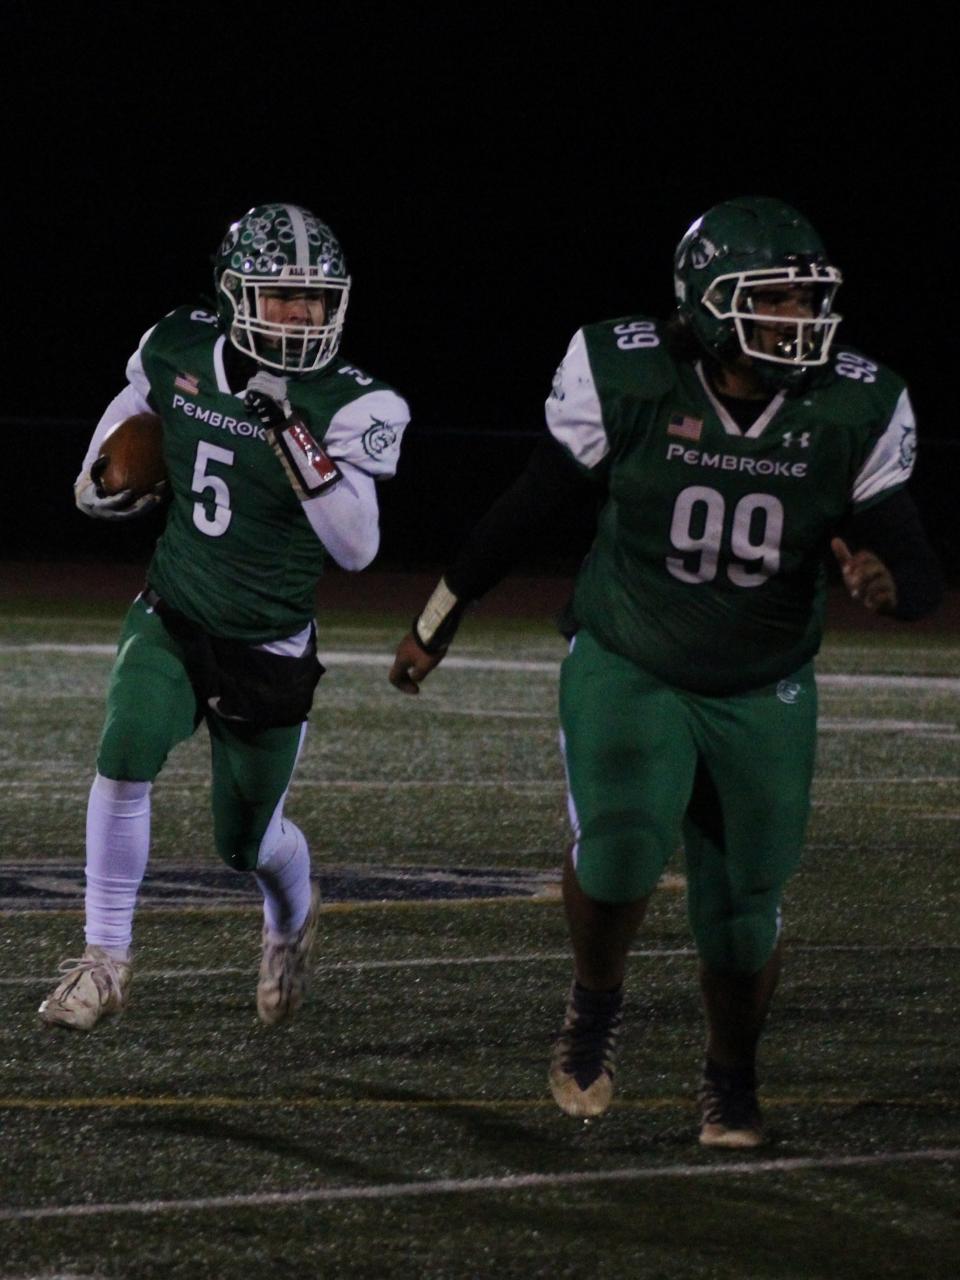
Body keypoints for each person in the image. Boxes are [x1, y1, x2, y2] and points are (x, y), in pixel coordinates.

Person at [389, 197, 942, 1147]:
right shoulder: (629, 372)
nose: (798, 324)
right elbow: (528, 506)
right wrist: (438, 620)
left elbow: (919, 571)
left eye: (806, 304)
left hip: (762, 681)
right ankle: (593, 1010)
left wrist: (893, 588)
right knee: (617, 855)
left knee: (742, 915)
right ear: (710, 302)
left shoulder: (856, 403)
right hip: (630, 656)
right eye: (772, 304)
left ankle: (731, 1079)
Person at [40, 202, 409, 1031]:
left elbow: (356, 549)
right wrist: (99, 480)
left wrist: (297, 442)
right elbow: (128, 415)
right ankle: (105, 957)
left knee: (245, 843)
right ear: (236, 293)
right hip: (175, 610)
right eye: (282, 296)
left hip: (268, 645)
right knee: (126, 746)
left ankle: (290, 914)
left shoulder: (357, 403)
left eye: (314, 299)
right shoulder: (178, 346)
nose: (301, 315)